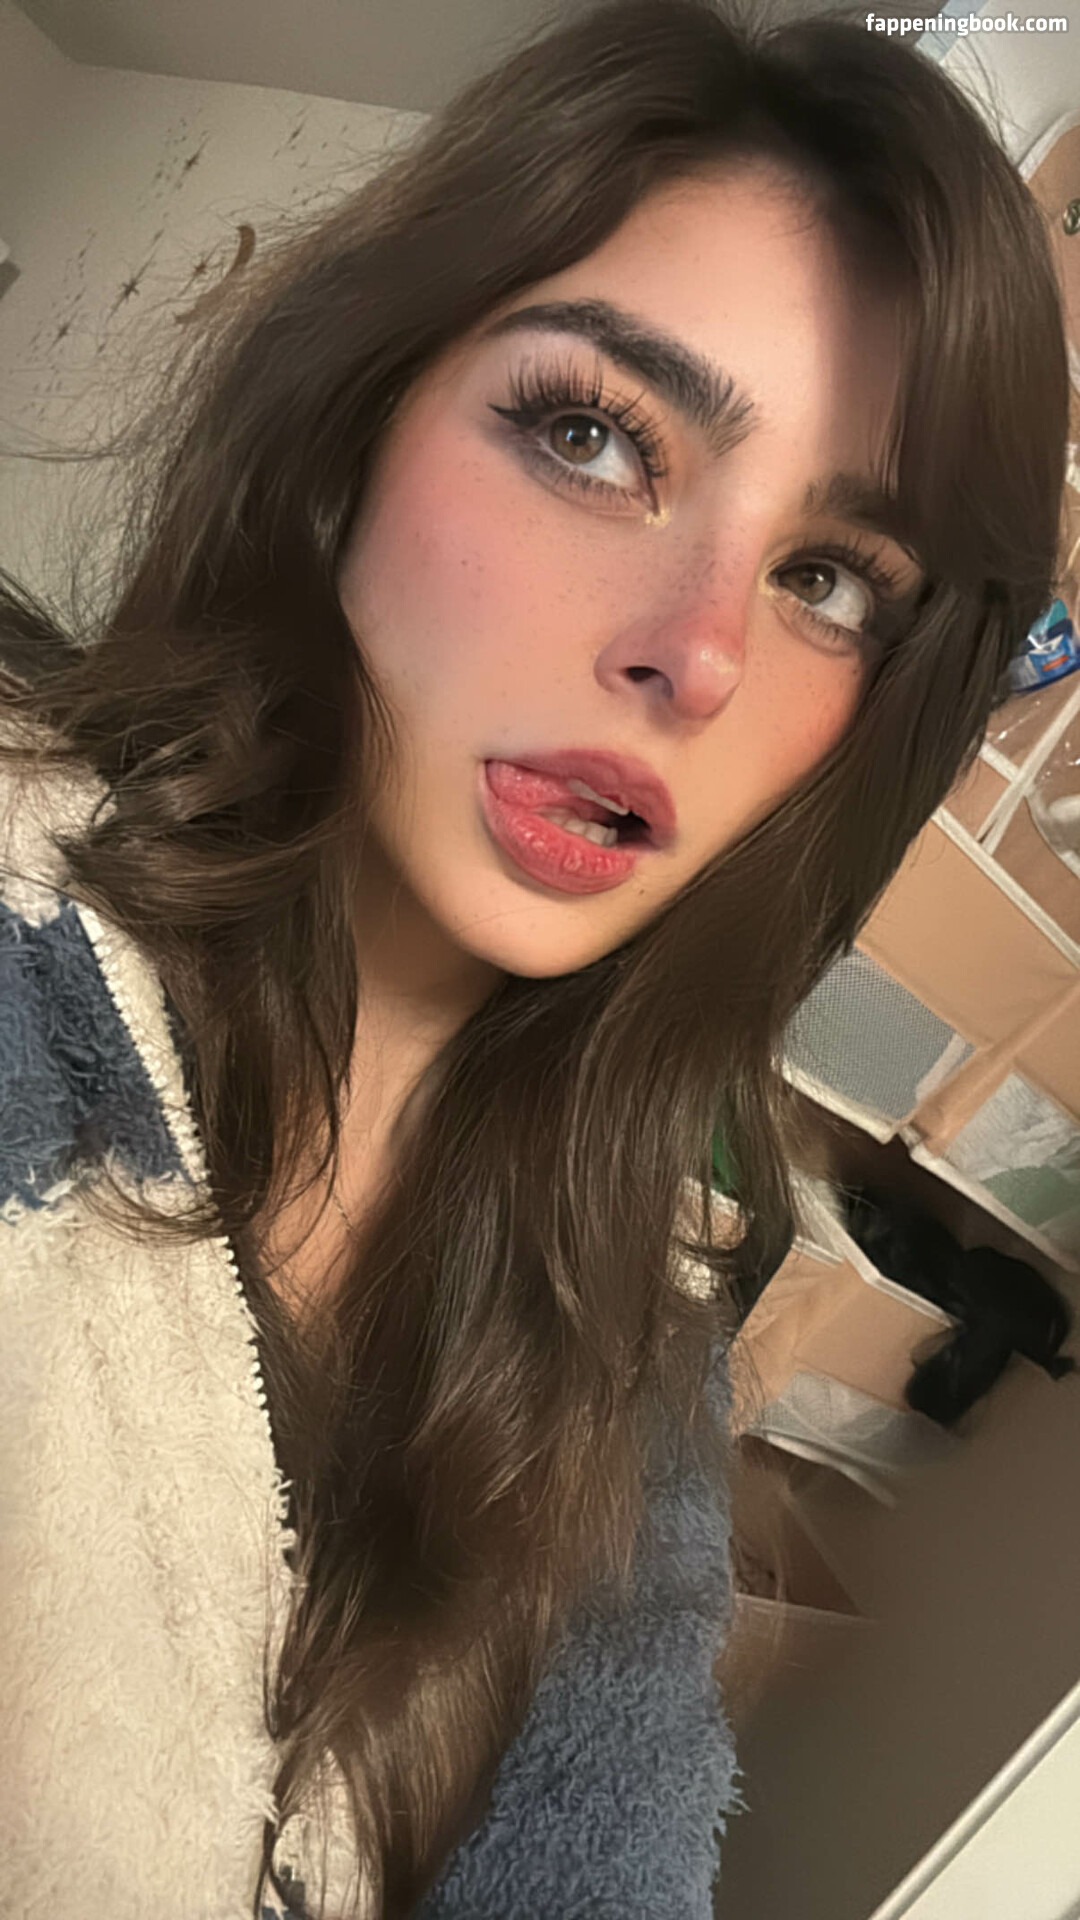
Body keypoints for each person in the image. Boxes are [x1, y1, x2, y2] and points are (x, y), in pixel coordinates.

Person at [0, 1, 1067, 1915]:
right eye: (596, 437)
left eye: (828, 578)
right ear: (358, 424)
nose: (700, 653)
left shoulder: (632, 1339)